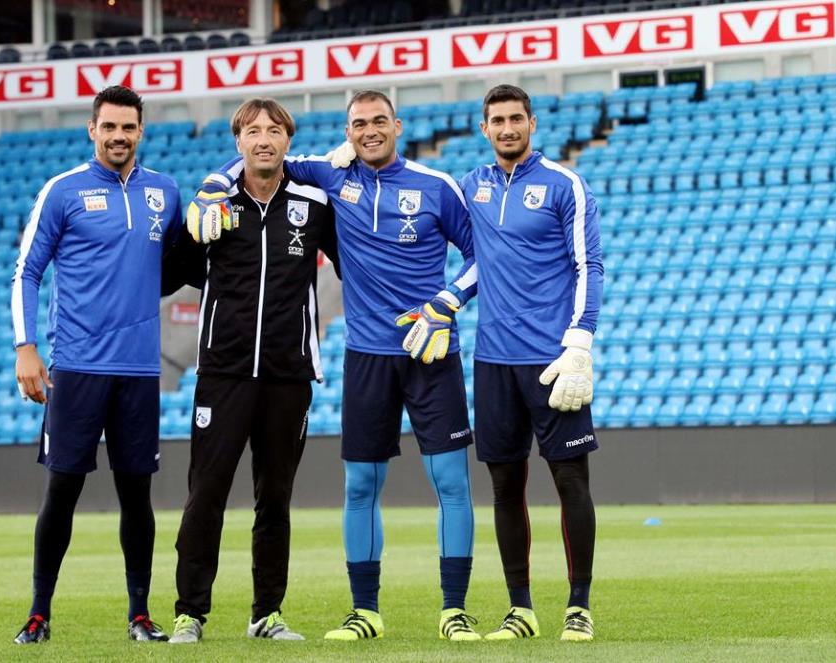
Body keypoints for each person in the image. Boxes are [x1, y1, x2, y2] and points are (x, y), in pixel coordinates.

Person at [191, 90, 481, 641]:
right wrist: (211, 187)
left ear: (397, 125)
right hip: (366, 356)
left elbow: (481, 255)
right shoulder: (329, 175)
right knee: (360, 485)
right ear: (347, 133)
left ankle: (454, 610)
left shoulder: (436, 186)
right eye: (359, 124)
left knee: (450, 481)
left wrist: (446, 304)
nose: (370, 131)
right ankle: (364, 612)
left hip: (430, 352)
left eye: (379, 121)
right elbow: (258, 156)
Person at [162, 98, 338, 644]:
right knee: (205, 494)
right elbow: (169, 276)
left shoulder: (314, 203)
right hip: (224, 373)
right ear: (238, 142)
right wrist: (191, 231)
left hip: (289, 376)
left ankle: (267, 614)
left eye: (274, 130)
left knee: (275, 500)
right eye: (253, 131)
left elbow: (358, 263)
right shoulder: (214, 204)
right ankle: (190, 613)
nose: (264, 139)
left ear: (288, 140)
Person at [10, 85, 181, 644]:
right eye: (109, 126)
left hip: (140, 371)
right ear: (92, 129)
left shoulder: (165, 191)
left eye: (128, 127)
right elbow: (27, 272)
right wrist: (25, 347)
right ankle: (39, 613)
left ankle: (140, 615)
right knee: (62, 491)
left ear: (141, 131)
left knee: (137, 496)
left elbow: (178, 264)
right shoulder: (63, 191)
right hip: (77, 366)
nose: (118, 136)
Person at [460, 84, 603, 641]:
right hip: (492, 360)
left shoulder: (565, 184)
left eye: (515, 118)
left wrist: (580, 343)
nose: (507, 128)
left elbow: (589, 265)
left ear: (532, 123)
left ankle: (579, 606)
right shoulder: (471, 187)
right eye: (497, 120)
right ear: (484, 128)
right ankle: (520, 609)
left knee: (570, 480)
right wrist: (448, 300)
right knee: (504, 486)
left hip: (552, 360)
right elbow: (476, 262)